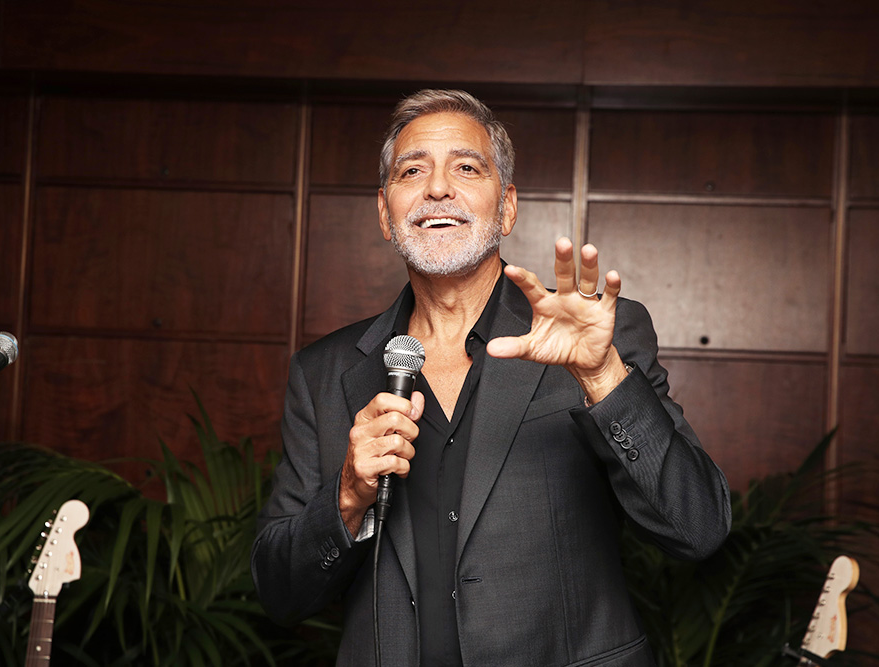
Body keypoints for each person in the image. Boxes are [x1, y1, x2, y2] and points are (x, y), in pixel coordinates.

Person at [252, 89, 731, 667]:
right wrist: (348, 498)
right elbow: (279, 593)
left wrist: (602, 376)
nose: (436, 188)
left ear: (506, 207)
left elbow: (697, 528)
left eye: (466, 167)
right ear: (385, 212)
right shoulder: (323, 373)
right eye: (412, 170)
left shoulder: (598, 338)